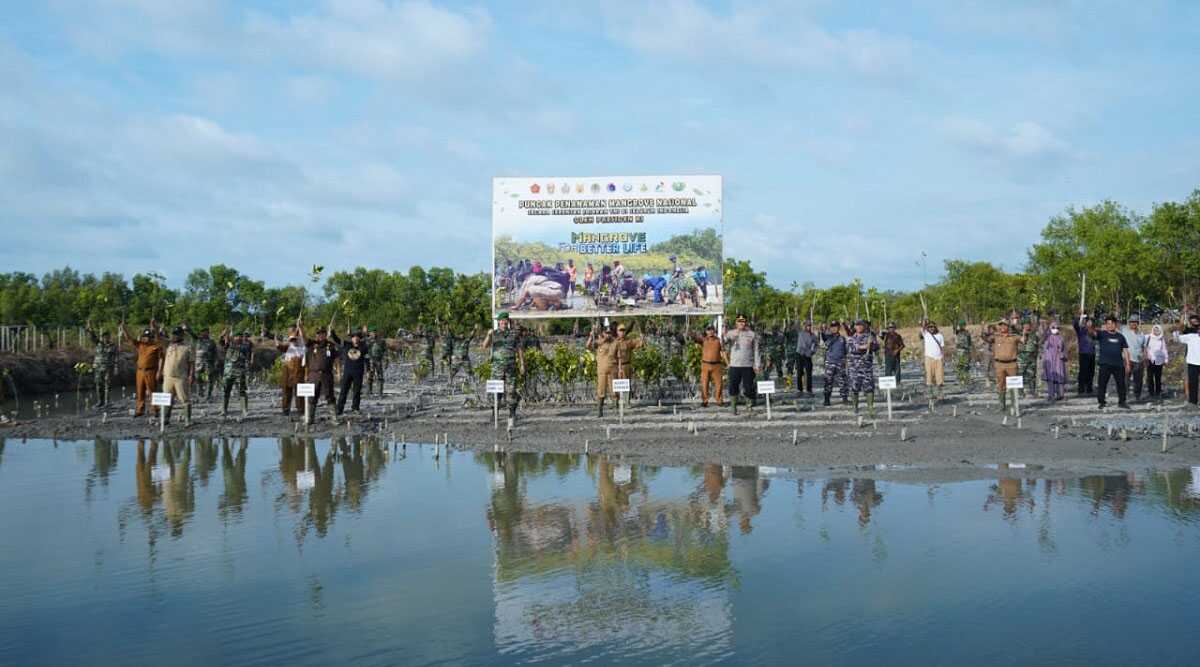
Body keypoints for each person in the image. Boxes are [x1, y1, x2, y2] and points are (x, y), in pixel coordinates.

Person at [482, 312, 525, 426]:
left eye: (505, 320)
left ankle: (512, 414)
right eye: (502, 320)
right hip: (497, 369)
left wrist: (522, 364)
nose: (504, 322)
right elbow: (484, 346)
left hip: (511, 368)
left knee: (511, 391)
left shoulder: (514, 334)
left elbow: (520, 349)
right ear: (499, 322)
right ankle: (494, 414)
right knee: (496, 392)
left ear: (508, 322)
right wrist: (488, 335)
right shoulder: (494, 334)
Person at [119, 320, 164, 417]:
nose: (145, 339)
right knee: (140, 391)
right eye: (144, 337)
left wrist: (155, 328)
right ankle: (140, 410)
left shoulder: (156, 346)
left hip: (151, 371)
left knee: (152, 390)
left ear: (151, 338)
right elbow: (129, 339)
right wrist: (124, 329)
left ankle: (155, 409)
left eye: (148, 337)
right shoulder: (140, 344)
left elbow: (161, 355)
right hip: (140, 371)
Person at [722, 314, 760, 413]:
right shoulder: (731, 333)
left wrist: (757, 364)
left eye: (743, 321)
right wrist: (724, 328)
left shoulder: (752, 334)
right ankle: (733, 407)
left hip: (748, 365)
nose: (741, 323)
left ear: (746, 322)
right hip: (734, 365)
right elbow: (724, 341)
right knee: (733, 386)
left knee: (748, 386)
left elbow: (756, 350)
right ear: (736, 323)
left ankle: (749, 406)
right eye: (739, 321)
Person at [1093, 315, 1131, 410]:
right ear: (1106, 325)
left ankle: (1122, 402)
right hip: (1105, 364)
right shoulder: (1102, 334)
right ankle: (1102, 402)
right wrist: (1089, 324)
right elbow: (1091, 332)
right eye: (1108, 323)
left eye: (1112, 323)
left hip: (1118, 364)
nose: (1110, 325)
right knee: (1102, 384)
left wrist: (1128, 364)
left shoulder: (1120, 337)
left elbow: (1125, 350)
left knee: (1121, 384)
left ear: (1115, 324)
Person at [983, 320, 1020, 413]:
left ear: (1008, 327)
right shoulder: (995, 337)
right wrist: (983, 327)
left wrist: (1022, 331)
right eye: (1001, 325)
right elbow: (985, 338)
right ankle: (1001, 406)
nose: (1002, 327)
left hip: (1012, 364)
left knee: (1013, 386)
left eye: (1005, 325)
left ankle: (1014, 407)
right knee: (1000, 385)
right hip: (999, 364)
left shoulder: (1014, 337)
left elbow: (1024, 340)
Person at [305, 323, 339, 417]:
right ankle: (309, 418)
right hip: (313, 375)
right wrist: (300, 327)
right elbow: (303, 337)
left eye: (322, 333)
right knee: (312, 397)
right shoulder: (311, 344)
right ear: (316, 335)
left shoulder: (331, 345)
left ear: (325, 334)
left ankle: (334, 418)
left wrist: (338, 373)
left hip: (327, 374)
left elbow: (336, 359)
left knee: (330, 396)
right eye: (318, 333)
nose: (321, 335)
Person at [161, 327, 194, 425]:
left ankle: (188, 420)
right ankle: (165, 419)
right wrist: (154, 327)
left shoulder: (188, 347)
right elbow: (158, 338)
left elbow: (192, 363)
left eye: (176, 334)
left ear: (182, 335)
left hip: (181, 377)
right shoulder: (168, 345)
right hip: (168, 377)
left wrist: (191, 375)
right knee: (167, 399)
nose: (174, 336)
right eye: (173, 334)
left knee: (184, 399)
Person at [846, 320, 879, 415]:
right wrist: (864, 346)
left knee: (869, 388)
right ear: (855, 327)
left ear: (864, 326)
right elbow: (853, 349)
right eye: (857, 325)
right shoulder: (851, 338)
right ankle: (855, 407)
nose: (859, 327)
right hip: (855, 368)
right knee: (854, 387)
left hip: (867, 367)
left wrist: (872, 345)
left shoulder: (869, 337)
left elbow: (876, 347)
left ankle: (870, 408)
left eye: (861, 325)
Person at [333, 328, 369, 415]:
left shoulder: (364, 346)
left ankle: (355, 408)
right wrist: (332, 332)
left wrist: (368, 370)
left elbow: (367, 359)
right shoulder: (347, 344)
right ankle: (339, 409)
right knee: (344, 390)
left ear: (359, 338)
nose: (355, 339)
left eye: (357, 337)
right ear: (351, 338)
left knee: (357, 391)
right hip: (347, 372)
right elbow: (337, 340)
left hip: (358, 372)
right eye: (353, 337)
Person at [219, 329, 254, 417]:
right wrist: (222, 335)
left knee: (242, 391)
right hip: (228, 372)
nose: (239, 338)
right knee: (225, 391)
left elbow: (244, 351)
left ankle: (244, 410)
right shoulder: (229, 344)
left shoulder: (244, 346)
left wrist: (228, 339)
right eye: (237, 336)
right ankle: (224, 410)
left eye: (240, 336)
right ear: (234, 337)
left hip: (240, 372)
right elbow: (221, 343)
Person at [276, 320, 306, 416]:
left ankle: (301, 411)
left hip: (299, 371)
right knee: (286, 391)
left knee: (300, 392)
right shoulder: (288, 345)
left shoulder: (303, 345)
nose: (294, 341)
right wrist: (276, 339)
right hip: (287, 370)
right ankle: (285, 410)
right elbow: (279, 346)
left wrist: (300, 327)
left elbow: (304, 337)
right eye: (292, 339)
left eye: (295, 339)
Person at [691, 325, 724, 407]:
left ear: (714, 331)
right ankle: (705, 401)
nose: (710, 332)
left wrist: (727, 363)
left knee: (719, 384)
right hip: (705, 364)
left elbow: (723, 351)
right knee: (704, 383)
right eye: (708, 330)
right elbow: (695, 339)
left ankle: (719, 400)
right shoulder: (703, 340)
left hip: (717, 365)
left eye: (711, 330)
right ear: (706, 331)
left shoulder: (718, 340)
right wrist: (692, 334)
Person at [85, 322, 116, 407]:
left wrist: (115, 368)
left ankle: (107, 402)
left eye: (107, 336)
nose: (105, 337)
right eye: (103, 336)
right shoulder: (98, 344)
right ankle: (100, 401)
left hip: (108, 368)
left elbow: (112, 355)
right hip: (98, 368)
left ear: (109, 337)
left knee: (107, 385)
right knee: (99, 384)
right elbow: (93, 337)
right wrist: (90, 329)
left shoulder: (112, 345)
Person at [820, 320, 849, 407]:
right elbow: (823, 335)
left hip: (840, 362)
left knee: (842, 381)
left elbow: (846, 350)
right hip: (830, 363)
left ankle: (844, 398)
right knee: (828, 381)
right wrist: (822, 329)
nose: (834, 328)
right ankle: (826, 399)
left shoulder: (842, 338)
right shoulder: (828, 337)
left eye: (835, 327)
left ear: (838, 328)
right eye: (832, 327)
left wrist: (845, 360)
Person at [1173, 312, 1200, 407]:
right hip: (1192, 362)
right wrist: (1182, 316)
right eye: (1193, 319)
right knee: (1193, 383)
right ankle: (1193, 402)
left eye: (1196, 319)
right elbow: (1176, 336)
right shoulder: (1190, 335)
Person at [1120, 314, 1148, 402]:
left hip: (1139, 360)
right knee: (1125, 378)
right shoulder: (1124, 331)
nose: (1133, 324)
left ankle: (1137, 396)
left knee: (1138, 380)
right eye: (1132, 322)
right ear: (1129, 323)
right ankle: (1124, 396)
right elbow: (1115, 324)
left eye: (1135, 322)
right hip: (1126, 359)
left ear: (1138, 323)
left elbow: (1144, 348)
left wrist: (1145, 358)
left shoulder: (1142, 334)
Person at [189, 327, 219, 400]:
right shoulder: (199, 340)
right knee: (198, 378)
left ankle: (208, 395)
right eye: (203, 332)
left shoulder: (212, 342)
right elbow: (192, 334)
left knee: (208, 379)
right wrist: (187, 328)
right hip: (199, 363)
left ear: (208, 333)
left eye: (206, 332)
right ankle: (200, 392)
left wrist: (215, 362)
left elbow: (215, 353)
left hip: (208, 364)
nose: (204, 333)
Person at [1042, 322, 1068, 401]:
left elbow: (1064, 349)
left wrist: (1063, 355)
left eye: (1056, 328)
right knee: (1050, 377)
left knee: (1060, 376)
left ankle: (1061, 395)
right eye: (1053, 328)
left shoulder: (1061, 338)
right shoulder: (1047, 338)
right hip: (1049, 359)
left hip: (1058, 360)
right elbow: (1044, 348)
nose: (1055, 329)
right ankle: (1051, 395)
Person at [921, 321, 945, 401]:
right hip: (929, 358)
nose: (931, 328)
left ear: (935, 327)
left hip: (938, 358)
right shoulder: (926, 334)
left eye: (933, 327)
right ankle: (930, 393)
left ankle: (940, 393)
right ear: (928, 328)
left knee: (939, 376)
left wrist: (942, 358)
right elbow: (923, 326)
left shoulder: (940, 336)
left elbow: (942, 348)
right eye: (930, 327)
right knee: (929, 376)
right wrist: (925, 320)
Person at [1074, 312, 1096, 395]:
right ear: (1085, 322)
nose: (1089, 323)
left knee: (1091, 372)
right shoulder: (1081, 330)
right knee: (1083, 372)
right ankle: (1081, 389)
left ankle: (1089, 388)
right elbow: (1075, 324)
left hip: (1092, 354)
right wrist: (1079, 316)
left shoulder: (1094, 331)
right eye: (1088, 321)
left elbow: (1095, 337)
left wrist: (1091, 330)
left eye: (1091, 322)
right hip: (1083, 353)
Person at [1017, 320, 1041, 398]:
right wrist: (1023, 334)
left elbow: (1037, 345)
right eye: (1025, 325)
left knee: (1032, 375)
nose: (1027, 326)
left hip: (1032, 357)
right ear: (1022, 325)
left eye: (1028, 325)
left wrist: (1037, 354)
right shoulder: (1019, 334)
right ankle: (1020, 392)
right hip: (1022, 357)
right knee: (1020, 375)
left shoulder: (1034, 335)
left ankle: (1032, 392)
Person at [1146, 324, 1168, 402]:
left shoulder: (1161, 339)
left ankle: (1158, 392)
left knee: (1158, 377)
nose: (1156, 331)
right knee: (1150, 377)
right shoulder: (1148, 337)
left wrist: (1166, 359)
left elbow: (1164, 349)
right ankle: (1151, 393)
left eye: (1157, 330)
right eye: (1155, 330)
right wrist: (1149, 356)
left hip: (1159, 360)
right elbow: (1146, 348)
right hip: (1150, 360)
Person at [794, 321, 817, 395]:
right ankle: (799, 389)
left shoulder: (813, 335)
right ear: (804, 326)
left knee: (809, 373)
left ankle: (809, 389)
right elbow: (803, 345)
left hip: (808, 355)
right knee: (799, 372)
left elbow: (815, 345)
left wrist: (812, 351)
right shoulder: (801, 333)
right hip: (800, 354)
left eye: (809, 326)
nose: (808, 327)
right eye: (807, 326)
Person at [366, 329, 388, 396]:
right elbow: (364, 351)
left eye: (375, 332)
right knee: (370, 376)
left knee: (380, 376)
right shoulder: (367, 341)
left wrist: (386, 360)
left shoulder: (381, 341)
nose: (374, 334)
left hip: (378, 360)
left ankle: (380, 392)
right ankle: (369, 391)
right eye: (372, 332)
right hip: (370, 360)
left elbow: (385, 351)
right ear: (370, 333)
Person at [954, 321, 973, 388]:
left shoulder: (967, 333)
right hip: (959, 351)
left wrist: (971, 352)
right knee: (959, 366)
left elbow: (970, 343)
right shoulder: (957, 332)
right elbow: (955, 329)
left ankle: (966, 379)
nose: (963, 326)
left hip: (966, 351)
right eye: (961, 325)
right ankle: (961, 379)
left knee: (966, 366)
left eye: (963, 325)